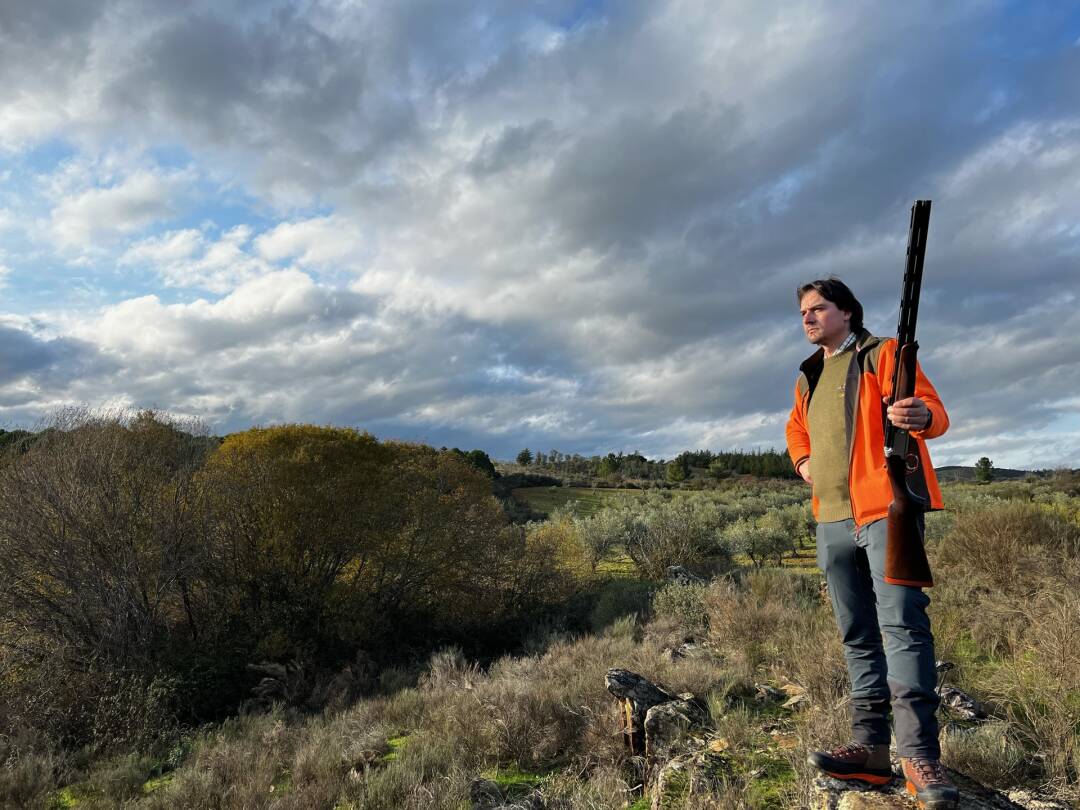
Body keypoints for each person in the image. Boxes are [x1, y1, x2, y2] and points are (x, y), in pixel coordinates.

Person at [785, 278, 958, 808]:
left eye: (819, 309)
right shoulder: (809, 374)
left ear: (847, 312)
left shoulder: (884, 355)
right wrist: (804, 462)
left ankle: (918, 757)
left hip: (885, 510)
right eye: (804, 312)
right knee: (857, 632)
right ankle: (870, 751)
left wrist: (921, 417)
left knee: (902, 626)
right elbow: (796, 429)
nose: (809, 319)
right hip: (831, 519)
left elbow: (932, 410)